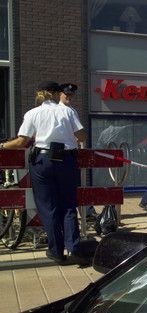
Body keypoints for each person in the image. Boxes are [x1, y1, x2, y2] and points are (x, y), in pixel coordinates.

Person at [0, 81, 87, 265]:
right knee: (68, 206)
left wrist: (2, 146)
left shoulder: (33, 113)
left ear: (40, 94)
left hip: (43, 161)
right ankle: (75, 249)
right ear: (57, 94)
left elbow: (21, 142)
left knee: (49, 207)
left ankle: (56, 251)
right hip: (67, 160)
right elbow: (81, 136)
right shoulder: (68, 111)